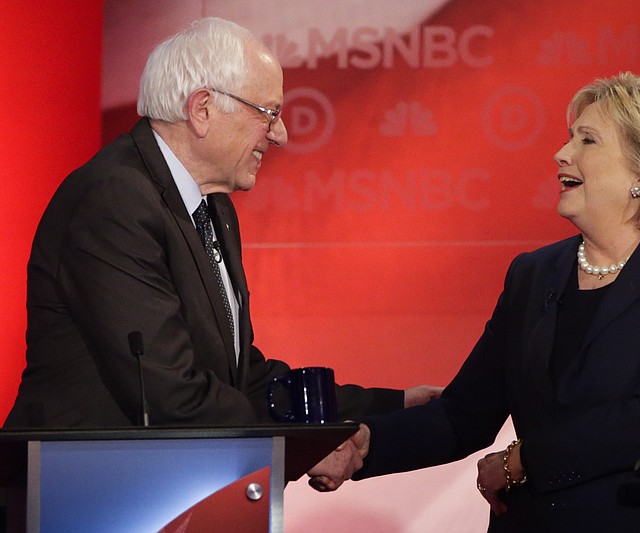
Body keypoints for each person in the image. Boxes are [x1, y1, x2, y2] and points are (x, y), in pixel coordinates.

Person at [310, 73, 640, 532]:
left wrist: (522, 462)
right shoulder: (533, 274)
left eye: (587, 140)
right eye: (569, 137)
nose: (562, 153)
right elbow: (464, 415)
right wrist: (365, 445)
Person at [4, 17, 440, 430]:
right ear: (203, 108)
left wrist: (390, 408)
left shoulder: (213, 207)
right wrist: (297, 443)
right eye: (268, 112)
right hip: (78, 492)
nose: (280, 133)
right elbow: (171, 396)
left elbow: (241, 378)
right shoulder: (114, 200)